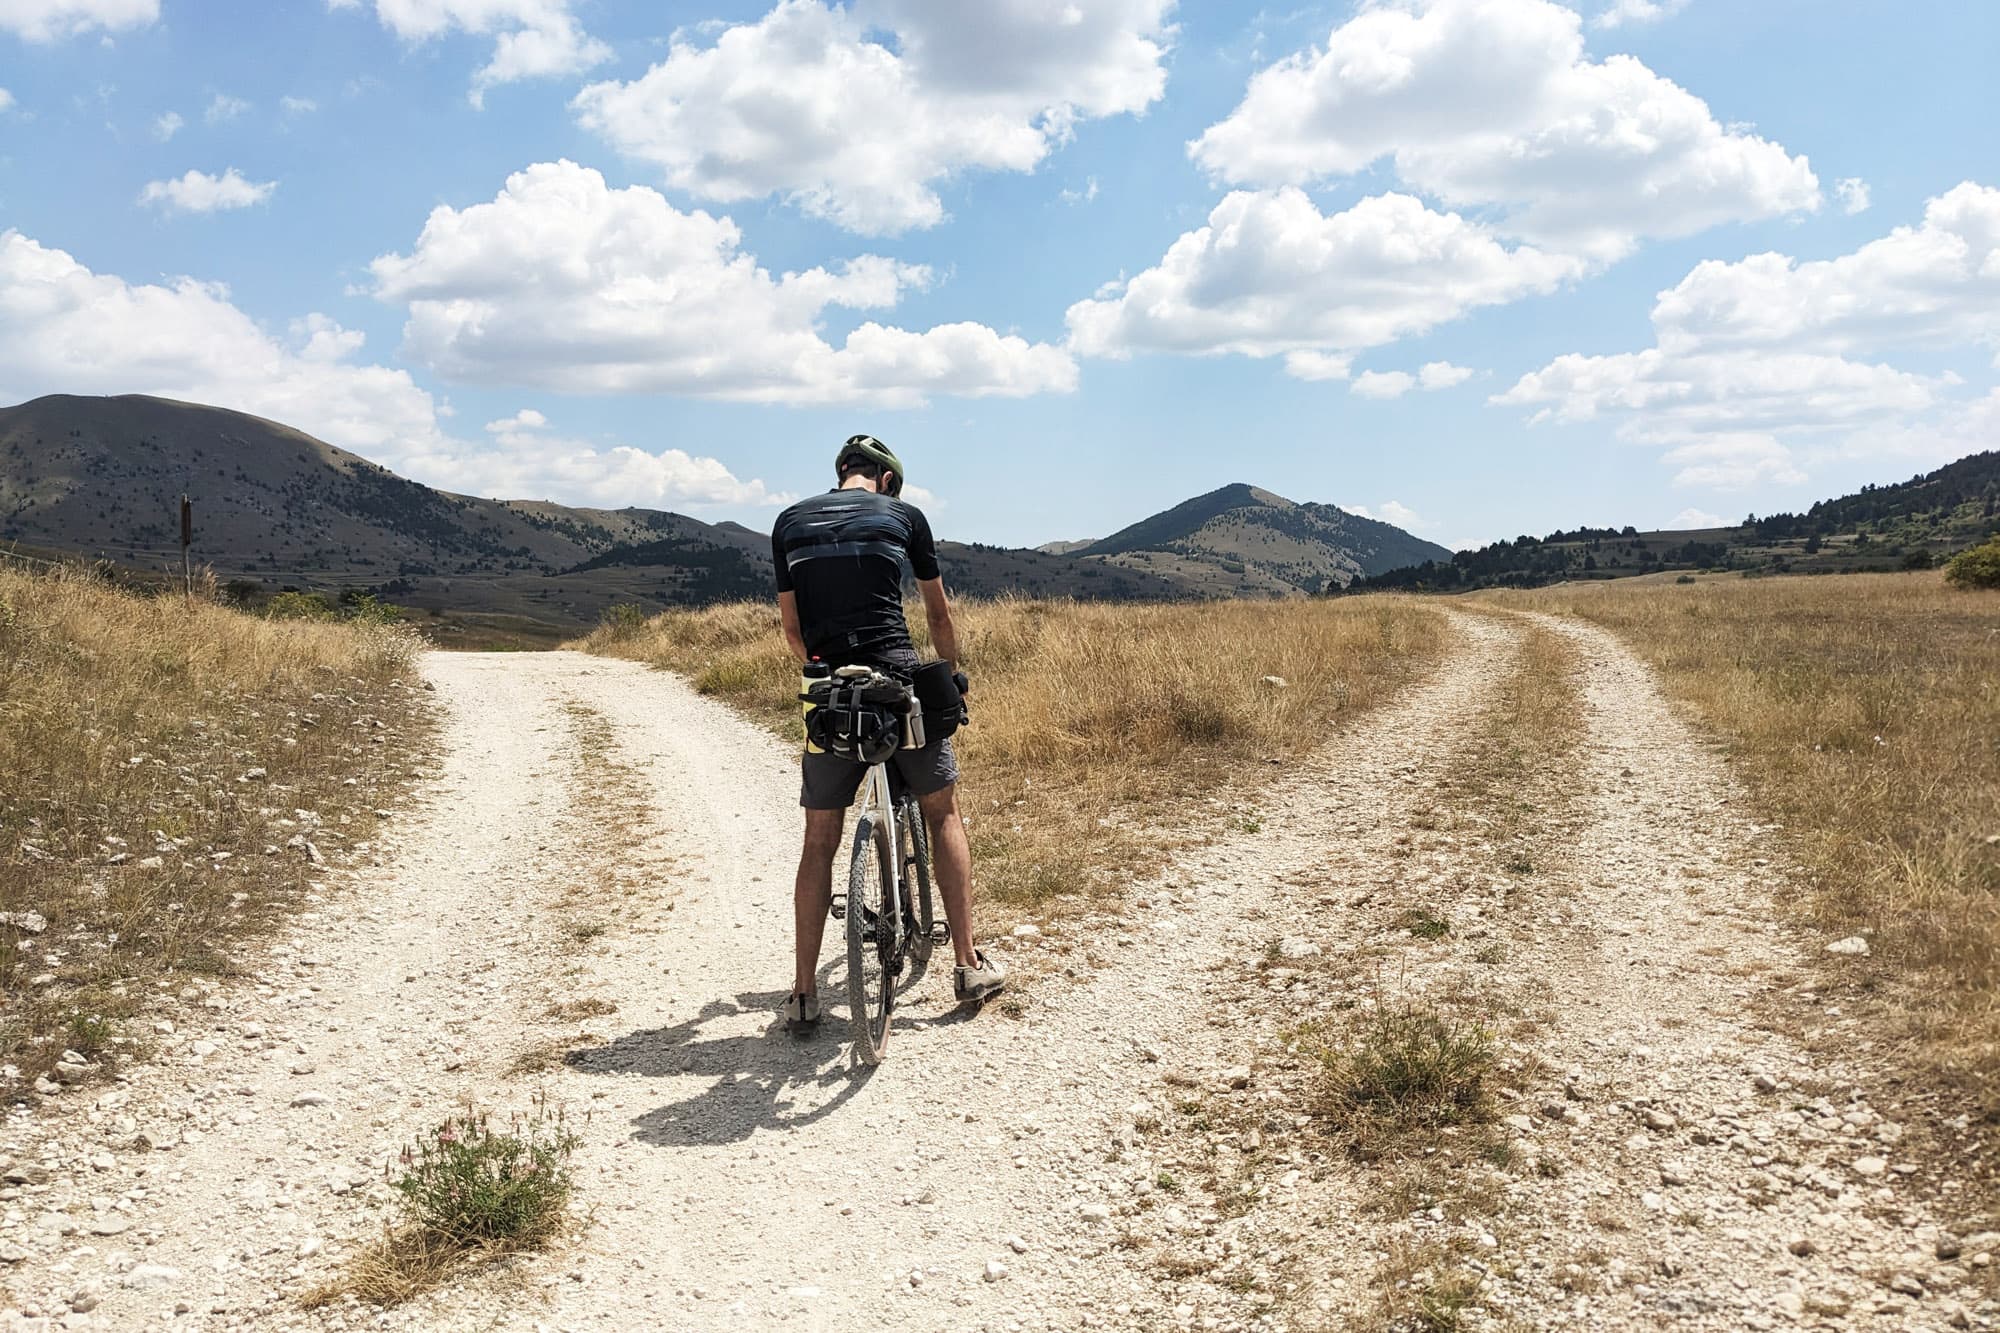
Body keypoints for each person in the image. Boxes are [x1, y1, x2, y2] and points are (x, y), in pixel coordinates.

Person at [771, 435, 1006, 1032]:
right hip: (898, 686)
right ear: (888, 480)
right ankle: (966, 964)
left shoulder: (789, 522)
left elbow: (793, 632)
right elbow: (938, 614)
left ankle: (803, 994)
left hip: (830, 694)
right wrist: (952, 673)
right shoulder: (905, 517)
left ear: (841, 472)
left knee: (818, 840)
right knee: (942, 812)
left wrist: (824, 671)